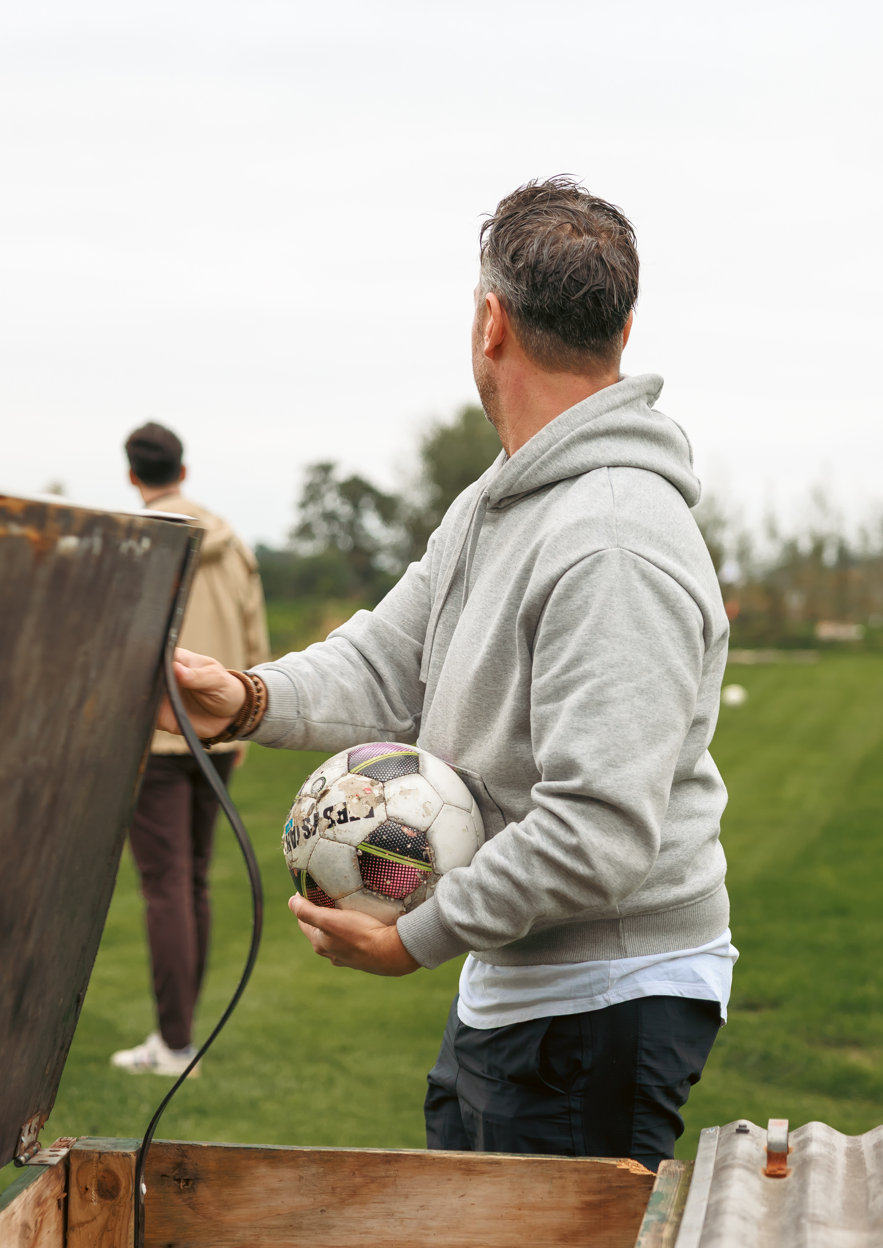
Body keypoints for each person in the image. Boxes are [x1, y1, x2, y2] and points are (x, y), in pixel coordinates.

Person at [157, 177, 735, 1169]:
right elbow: (389, 660)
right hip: (517, 989)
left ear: (489, 322)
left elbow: (599, 827)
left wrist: (417, 935)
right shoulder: (496, 501)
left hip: (598, 1004)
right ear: (622, 330)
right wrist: (246, 698)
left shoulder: (611, 541)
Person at [110, 422, 270, 1077]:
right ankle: (180, 1037)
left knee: (166, 886)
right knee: (193, 878)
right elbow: (256, 639)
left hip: (154, 739)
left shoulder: (132, 542)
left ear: (132, 475)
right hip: (222, 730)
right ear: (184, 470)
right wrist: (245, 721)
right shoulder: (232, 543)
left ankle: (174, 1045)